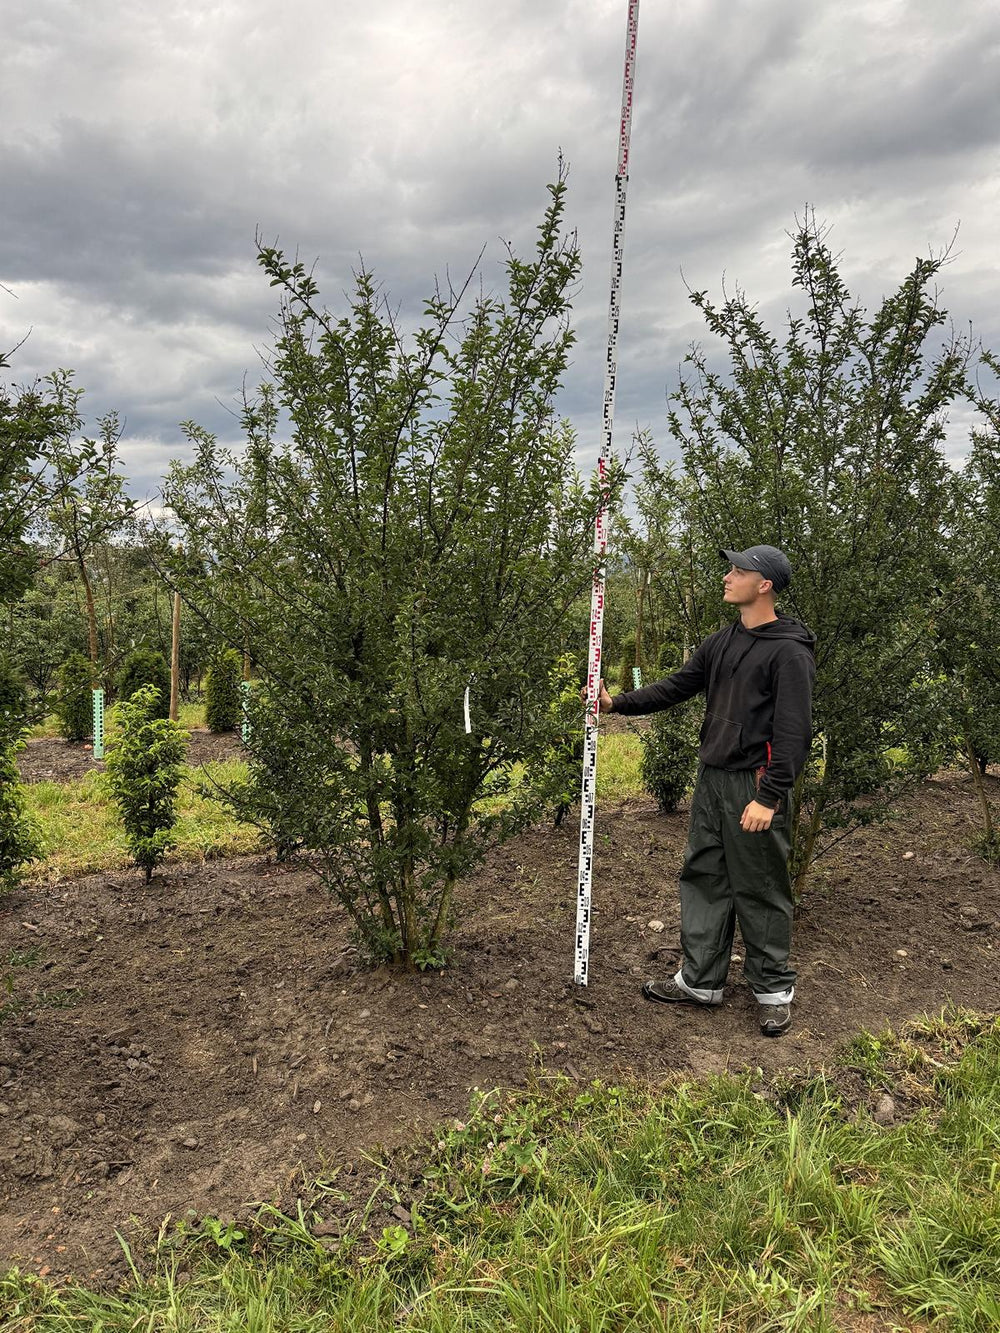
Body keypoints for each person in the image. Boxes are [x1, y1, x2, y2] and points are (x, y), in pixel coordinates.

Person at [593, 545, 816, 1036]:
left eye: (739, 571)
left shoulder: (789, 652)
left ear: (765, 585)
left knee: (759, 885)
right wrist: (617, 704)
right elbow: (678, 685)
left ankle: (773, 989)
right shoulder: (723, 641)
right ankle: (701, 981)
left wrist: (770, 796)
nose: (727, 576)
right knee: (704, 875)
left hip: (755, 783)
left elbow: (795, 731)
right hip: (713, 778)